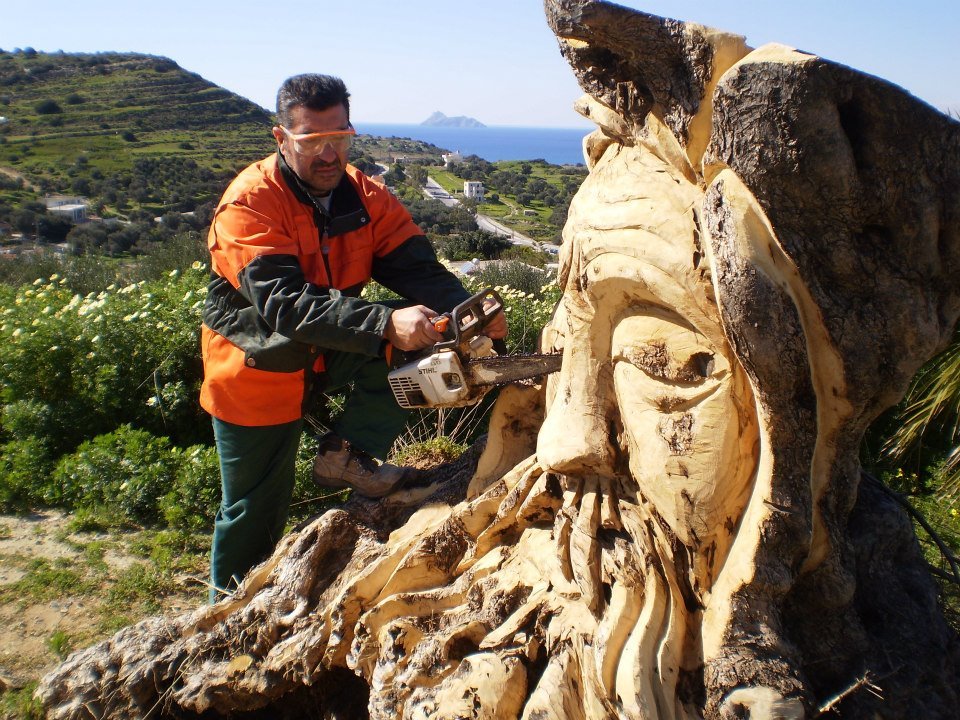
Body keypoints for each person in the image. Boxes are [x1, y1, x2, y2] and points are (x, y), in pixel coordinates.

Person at [199, 73, 506, 600]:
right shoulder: (249, 205)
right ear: (281, 138)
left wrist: (464, 312)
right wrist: (384, 323)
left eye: (340, 138)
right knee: (254, 509)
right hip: (256, 366)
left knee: (429, 349)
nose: (328, 153)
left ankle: (349, 455)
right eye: (312, 141)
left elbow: (415, 267)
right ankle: (225, 618)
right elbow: (285, 304)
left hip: (330, 347)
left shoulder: (363, 194)